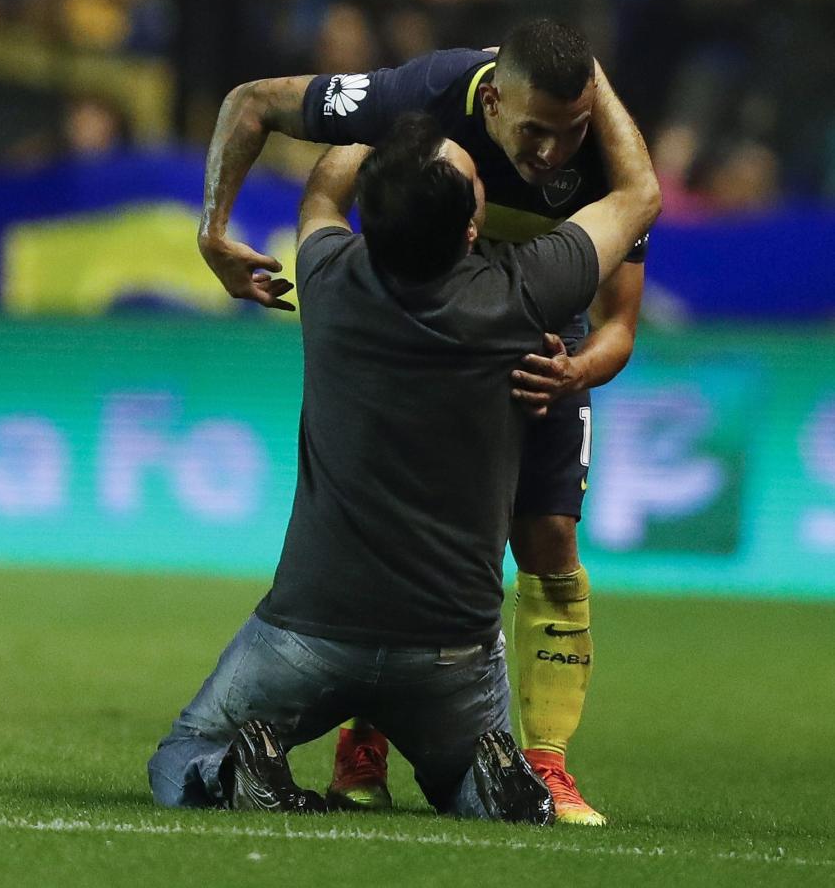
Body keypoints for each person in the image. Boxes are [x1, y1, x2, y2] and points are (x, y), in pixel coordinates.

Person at [149, 66, 661, 821]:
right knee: (463, 773)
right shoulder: (523, 293)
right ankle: (501, 778)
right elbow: (639, 195)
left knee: (182, 754)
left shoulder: (324, 276)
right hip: (448, 652)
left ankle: (233, 771)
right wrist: (593, 82)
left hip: (310, 636)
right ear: (471, 229)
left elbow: (322, 193)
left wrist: (388, 122)